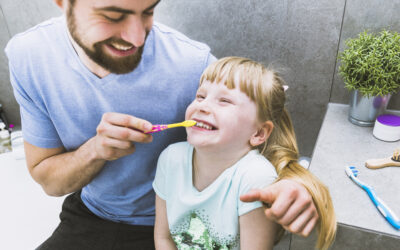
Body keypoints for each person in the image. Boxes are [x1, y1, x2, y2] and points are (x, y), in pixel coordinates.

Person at [5, 0, 331, 249]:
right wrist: (95, 150)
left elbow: (260, 139)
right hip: (92, 214)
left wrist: (300, 187)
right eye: (113, 15)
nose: (136, 37)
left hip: (171, 223)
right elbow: (49, 180)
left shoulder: (192, 64)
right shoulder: (28, 55)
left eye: (148, 11)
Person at [153, 57, 336, 250]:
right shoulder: (170, 159)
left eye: (224, 100)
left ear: (258, 133)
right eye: (201, 96)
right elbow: (164, 238)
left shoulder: (255, 178)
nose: (203, 106)